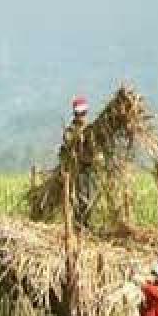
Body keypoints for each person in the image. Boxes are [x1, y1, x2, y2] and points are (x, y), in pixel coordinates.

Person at [61, 95, 96, 229]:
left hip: (89, 168)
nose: (81, 116)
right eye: (79, 113)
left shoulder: (91, 129)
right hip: (77, 169)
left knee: (90, 198)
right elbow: (67, 149)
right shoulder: (70, 131)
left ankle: (86, 226)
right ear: (75, 113)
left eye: (82, 113)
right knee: (79, 198)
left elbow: (94, 149)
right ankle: (79, 226)